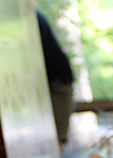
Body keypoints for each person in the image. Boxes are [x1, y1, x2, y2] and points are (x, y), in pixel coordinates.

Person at [36, 10, 75, 144]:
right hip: (46, 82)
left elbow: (40, 58)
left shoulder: (34, 19)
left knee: (56, 137)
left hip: (58, 82)